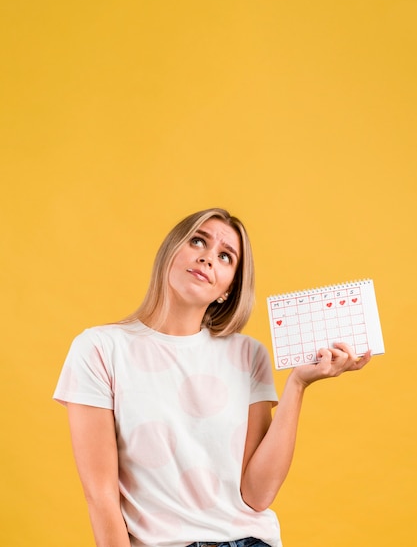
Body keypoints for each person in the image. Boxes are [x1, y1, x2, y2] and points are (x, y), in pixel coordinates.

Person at [54, 208, 371, 547]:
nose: (207, 258)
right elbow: (101, 496)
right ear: (170, 252)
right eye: (197, 241)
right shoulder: (99, 348)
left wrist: (297, 384)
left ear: (228, 289)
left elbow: (257, 495)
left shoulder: (249, 355)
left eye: (224, 256)